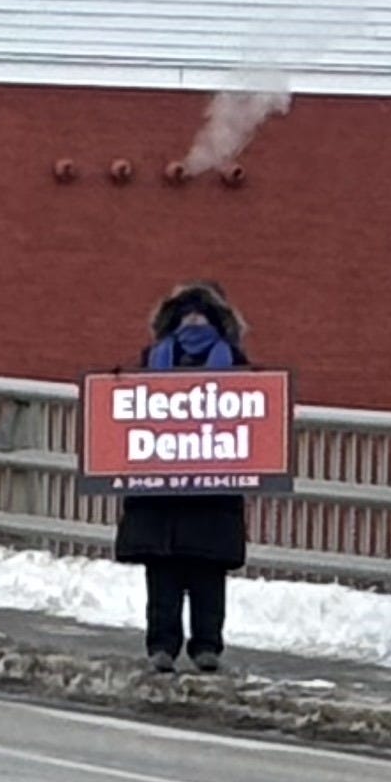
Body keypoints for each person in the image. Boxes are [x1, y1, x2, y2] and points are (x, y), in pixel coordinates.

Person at [116, 283, 253, 673]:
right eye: (187, 316)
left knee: (202, 575)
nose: (193, 323)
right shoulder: (152, 362)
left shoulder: (235, 366)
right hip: (167, 493)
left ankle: (200, 646)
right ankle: (169, 645)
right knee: (167, 575)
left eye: (200, 316)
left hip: (205, 491)